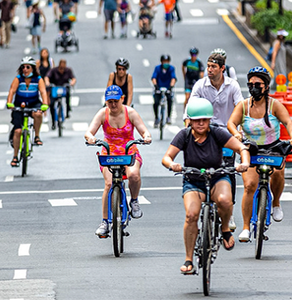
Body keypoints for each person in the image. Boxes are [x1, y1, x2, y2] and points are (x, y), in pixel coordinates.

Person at [163, 98, 250, 274]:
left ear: (210, 120)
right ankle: (188, 260)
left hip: (217, 177)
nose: (200, 123)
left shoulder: (217, 133)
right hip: (193, 180)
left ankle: (225, 229)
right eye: (196, 120)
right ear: (190, 121)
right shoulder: (184, 135)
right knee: (191, 215)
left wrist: (244, 162)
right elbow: (166, 157)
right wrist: (172, 165)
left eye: (204, 119)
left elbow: (241, 148)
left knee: (225, 200)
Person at [228, 66, 292, 242]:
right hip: (250, 149)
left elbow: (288, 122)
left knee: (278, 174)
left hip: (273, 148)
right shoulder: (243, 106)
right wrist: (236, 133)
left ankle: (276, 203)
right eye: (250, 84)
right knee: (250, 185)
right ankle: (245, 227)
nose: (254, 87)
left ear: (266, 86)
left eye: (257, 84)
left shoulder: (275, 105)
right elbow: (231, 122)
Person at [85, 85, 153, 238]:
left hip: (129, 150)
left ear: (122, 99)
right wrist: (91, 138)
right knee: (109, 184)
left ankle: (134, 201)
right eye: (110, 102)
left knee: (134, 175)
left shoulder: (131, 113)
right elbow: (89, 131)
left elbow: (143, 130)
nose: (113, 105)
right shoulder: (103, 113)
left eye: (116, 101)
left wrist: (146, 136)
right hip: (109, 151)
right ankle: (104, 222)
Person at [7, 58, 50, 166]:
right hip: (19, 105)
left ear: (33, 69)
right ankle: (15, 156)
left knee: (38, 114)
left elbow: (43, 91)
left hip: (33, 103)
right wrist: (9, 103)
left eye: (28, 67)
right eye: (23, 67)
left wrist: (45, 104)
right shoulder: (18, 79)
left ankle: (37, 135)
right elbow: (12, 91)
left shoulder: (38, 79)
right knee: (17, 131)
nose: (25, 69)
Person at [185, 49, 243, 128]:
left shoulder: (233, 85)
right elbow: (191, 105)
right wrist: (187, 119)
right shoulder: (200, 85)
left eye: (213, 67)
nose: (209, 70)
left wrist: (239, 128)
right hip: (207, 130)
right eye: (208, 66)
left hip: (228, 130)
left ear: (222, 68)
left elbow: (240, 106)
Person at [151, 54, 177, 128]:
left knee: (170, 100)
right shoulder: (157, 68)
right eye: (164, 61)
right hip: (159, 87)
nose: (166, 63)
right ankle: (156, 118)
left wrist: (171, 87)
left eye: (167, 61)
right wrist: (156, 86)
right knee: (156, 102)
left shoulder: (171, 68)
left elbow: (173, 78)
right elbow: (154, 78)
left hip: (167, 87)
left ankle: (168, 117)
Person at [182, 48, 205, 113]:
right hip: (188, 80)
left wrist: (200, 81)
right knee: (187, 98)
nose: (193, 57)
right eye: (192, 55)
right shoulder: (187, 61)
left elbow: (202, 72)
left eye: (194, 55)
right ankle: (185, 113)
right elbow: (183, 66)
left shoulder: (199, 62)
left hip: (196, 81)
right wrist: (184, 76)